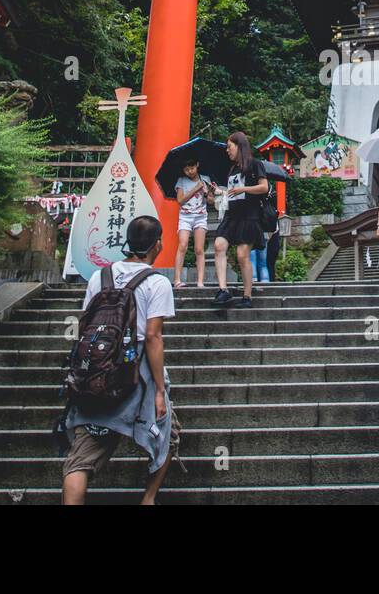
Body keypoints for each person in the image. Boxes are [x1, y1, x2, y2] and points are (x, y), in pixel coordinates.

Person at [61, 215, 175, 505]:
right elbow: (153, 336)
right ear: (157, 244)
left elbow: (88, 322)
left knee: (83, 455)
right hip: (137, 372)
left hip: (98, 368)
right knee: (167, 433)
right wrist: (160, 390)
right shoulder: (157, 282)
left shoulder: (101, 276)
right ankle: (148, 499)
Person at [213, 131, 270, 308]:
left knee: (242, 255)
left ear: (239, 146)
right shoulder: (232, 169)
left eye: (229, 147)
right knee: (218, 245)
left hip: (249, 215)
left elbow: (264, 187)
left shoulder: (255, 164)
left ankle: (247, 296)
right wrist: (218, 193)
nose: (227, 151)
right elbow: (232, 192)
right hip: (232, 214)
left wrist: (244, 189)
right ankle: (223, 290)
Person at [173, 158, 214, 289]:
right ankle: (177, 279)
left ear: (197, 165)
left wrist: (207, 194)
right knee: (183, 245)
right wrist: (195, 189)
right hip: (185, 216)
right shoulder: (181, 181)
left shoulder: (205, 179)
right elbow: (180, 200)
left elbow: (211, 202)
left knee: (199, 249)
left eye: (191, 168)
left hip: (200, 217)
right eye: (186, 169)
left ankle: (200, 281)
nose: (189, 171)